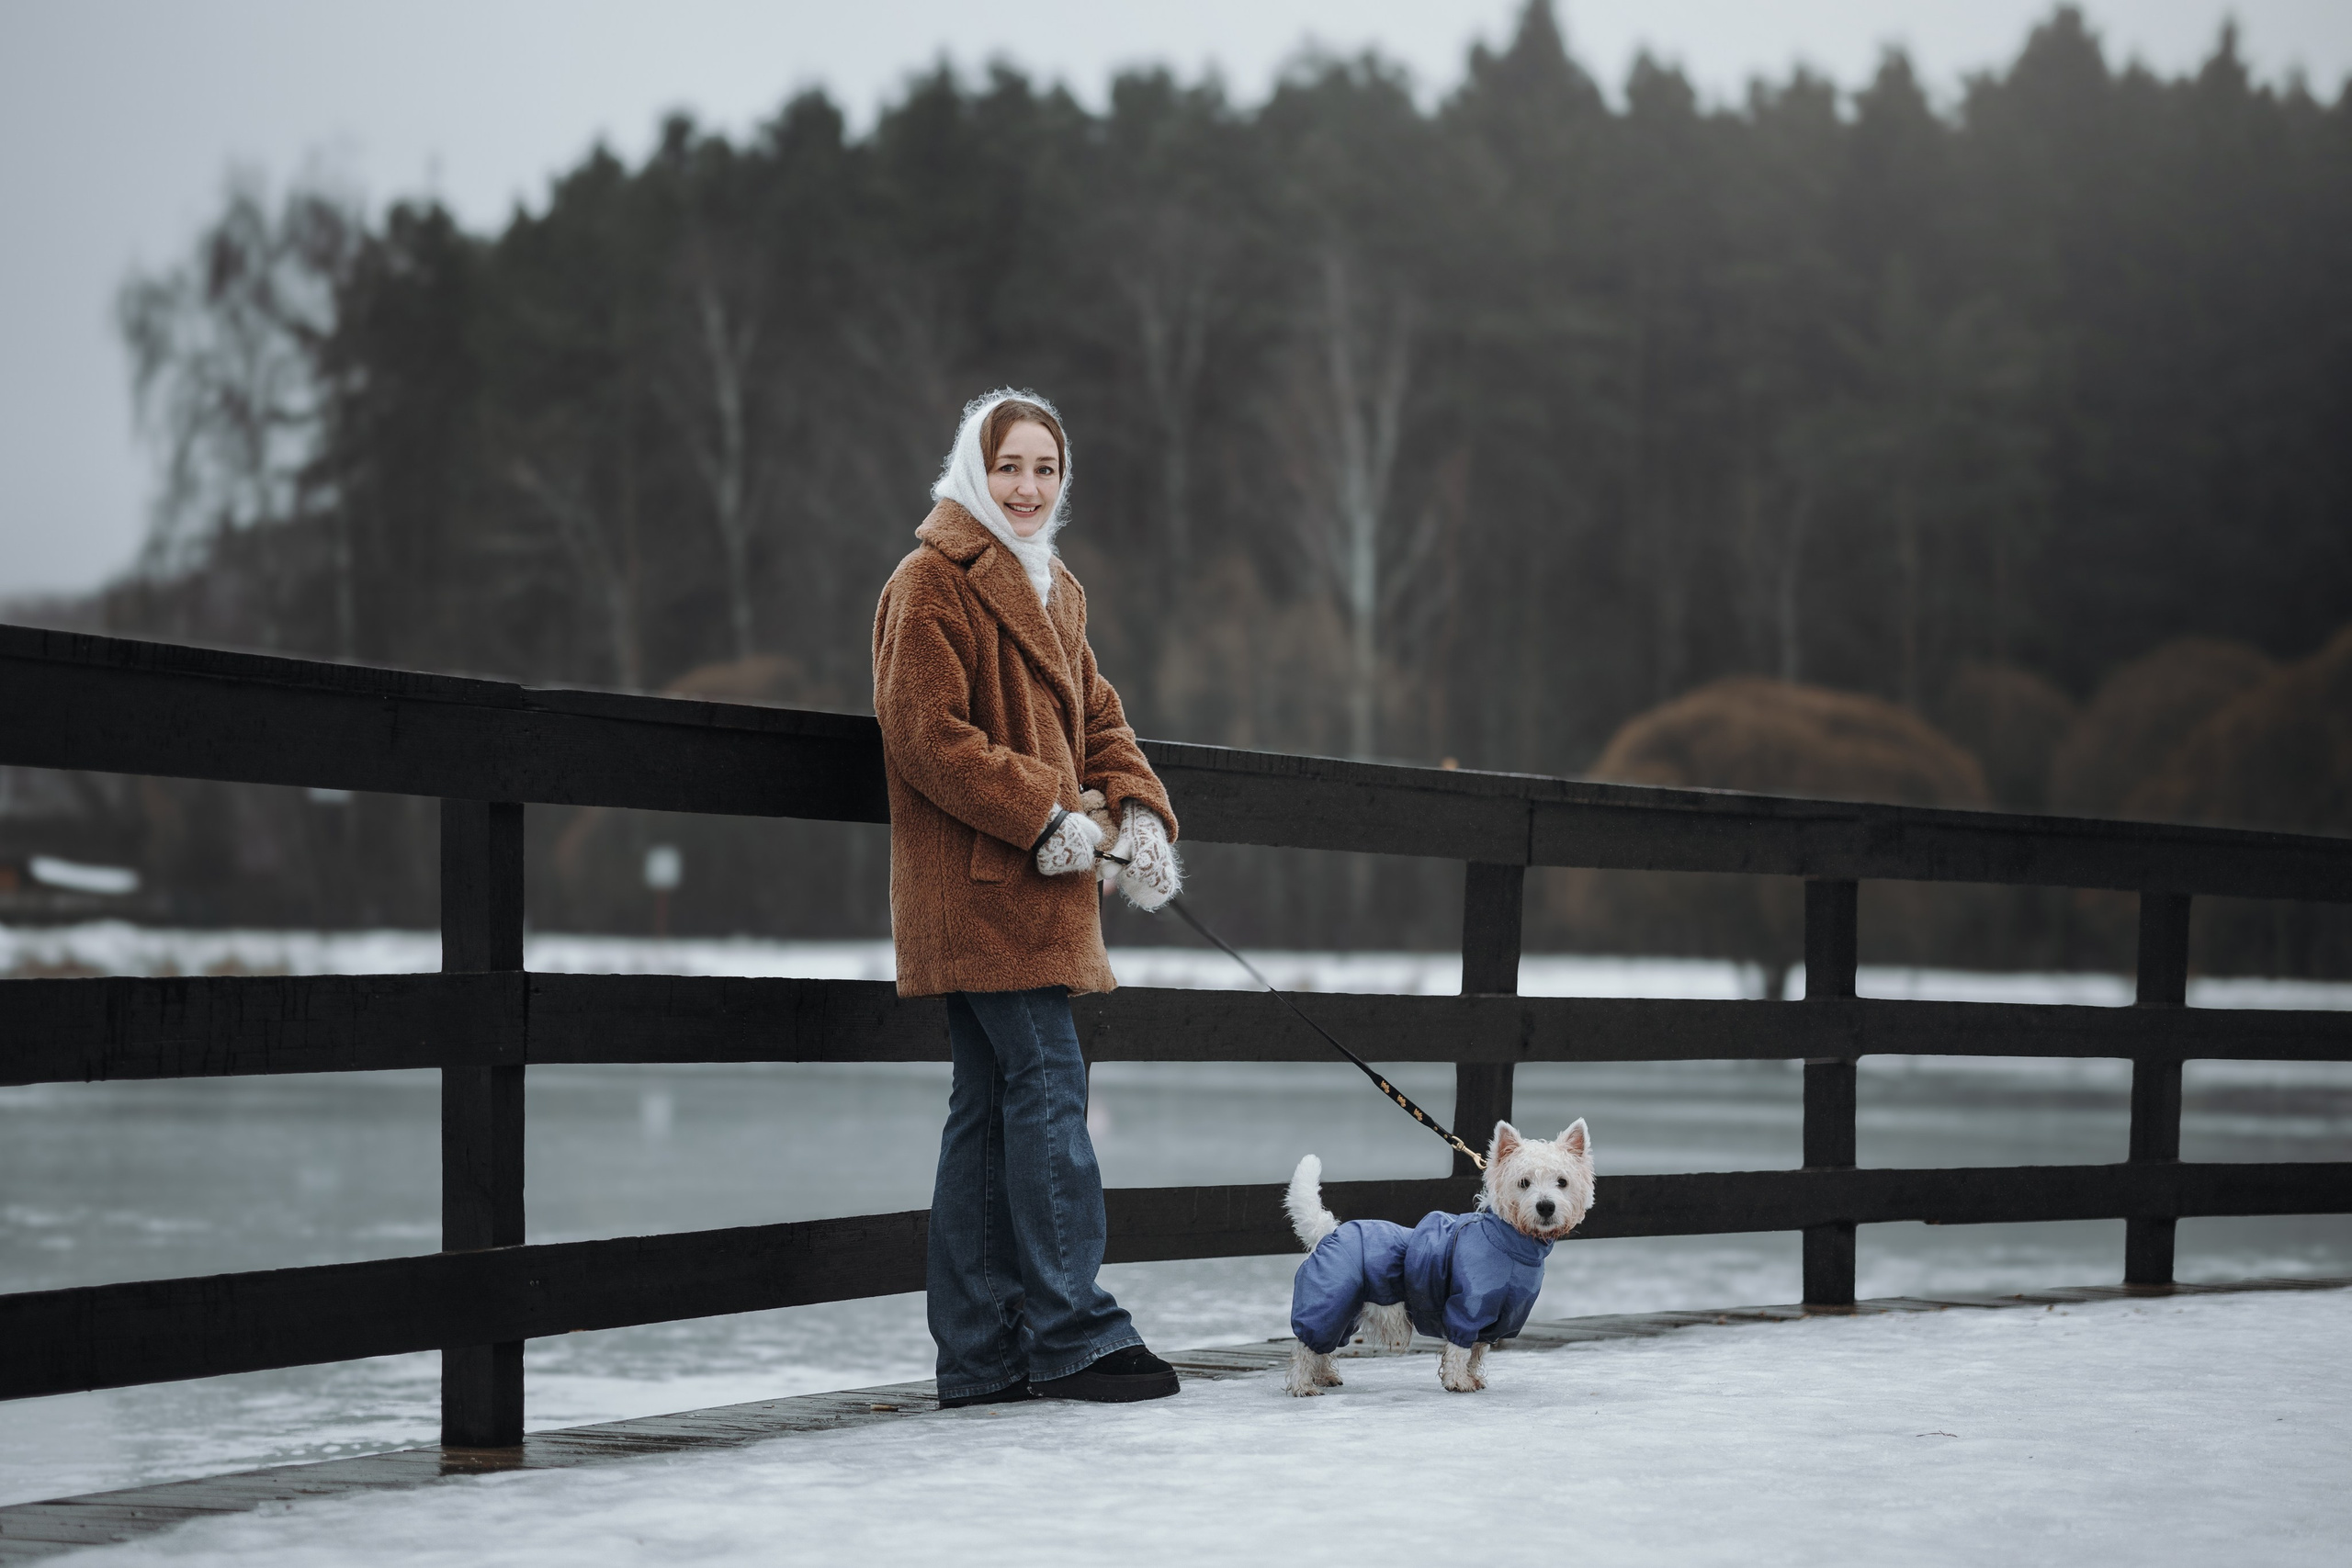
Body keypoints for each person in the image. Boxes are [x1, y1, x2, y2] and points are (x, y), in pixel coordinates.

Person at [872, 388, 1185, 1407]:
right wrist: (1045, 816)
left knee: (988, 1113)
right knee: (1048, 1087)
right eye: (1009, 466)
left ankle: (980, 1351)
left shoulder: (1058, 589)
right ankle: (1070, 1331)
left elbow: (1101, 716)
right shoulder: (928, 582)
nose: (1026, 486)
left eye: (1044, 469)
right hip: (979, 888)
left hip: (1039, 890)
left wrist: (1137, 814)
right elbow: (926, 735)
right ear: (974, 467)